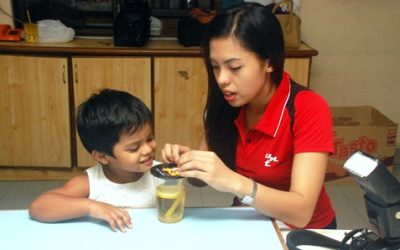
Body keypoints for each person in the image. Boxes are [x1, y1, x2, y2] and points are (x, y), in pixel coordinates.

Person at [162, 3, 336, 229]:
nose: (222, 79)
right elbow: (198, 181)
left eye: (234, 67)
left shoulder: (308, 108)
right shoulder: (228, 103)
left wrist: (235, 183)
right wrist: (188, 163)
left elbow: (301, 213)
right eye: (215, 67)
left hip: (305, 233)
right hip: (249, 223)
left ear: (269, 62)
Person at [29, 89, 159, 232]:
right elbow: (38, 207)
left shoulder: (162, 173)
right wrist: (91, 207)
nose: (148, 150)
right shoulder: (91, 182)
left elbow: (188, 180)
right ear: (102, 156)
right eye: (133, 148)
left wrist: (187, 160)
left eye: (150, 138)